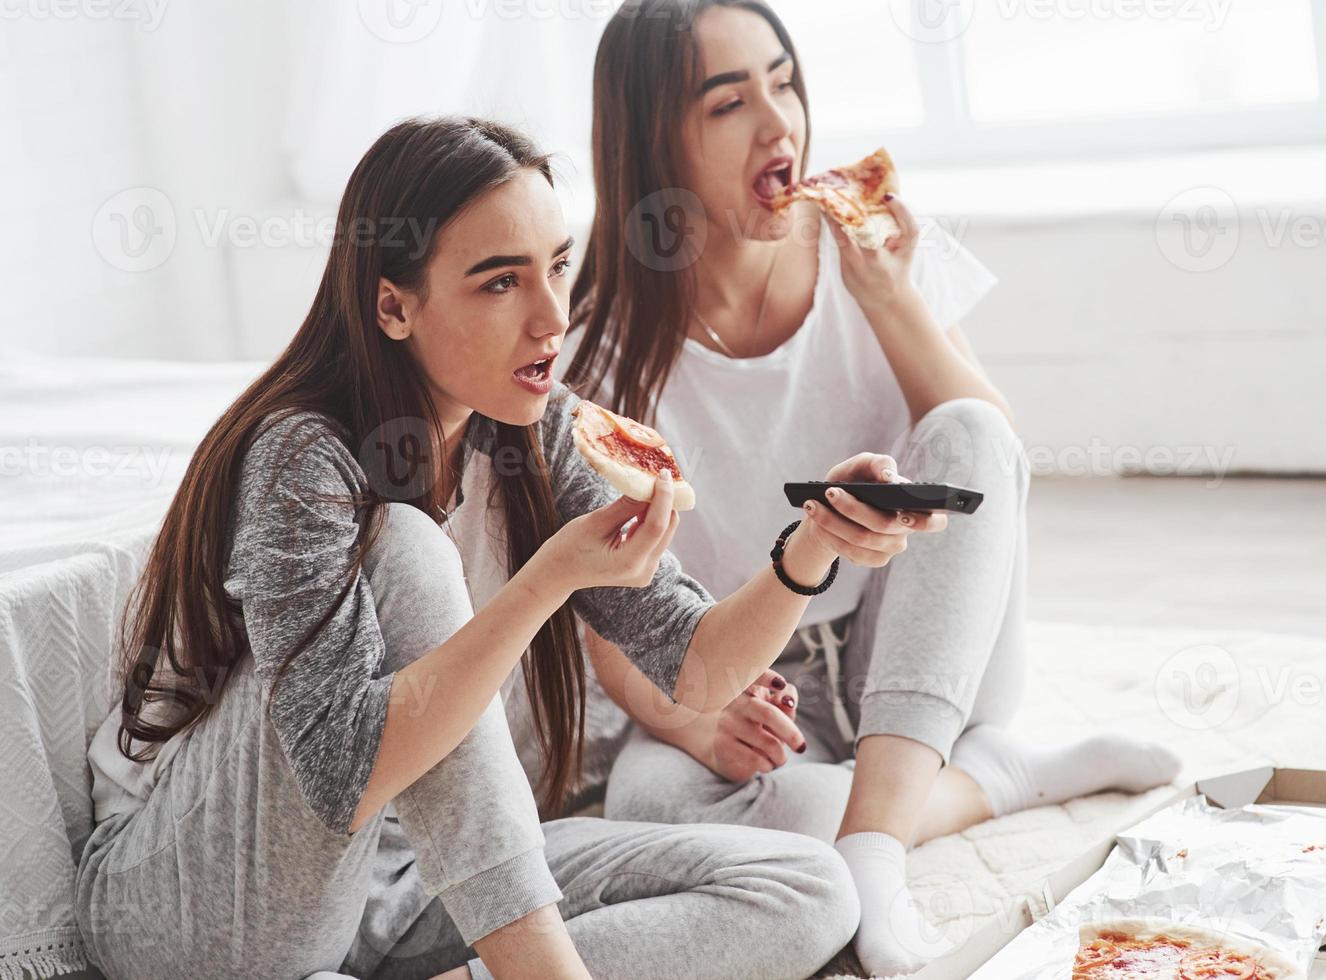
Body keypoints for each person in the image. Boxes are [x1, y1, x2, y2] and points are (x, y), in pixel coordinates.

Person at [72, 115, 945, 980]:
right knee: (412, 548)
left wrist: (810, 546)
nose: (552, 318)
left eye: (559, 267)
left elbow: (701, 672)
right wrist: (548, 579)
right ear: (392, 305)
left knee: (809, 889)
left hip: (415, 881)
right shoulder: (303, 454)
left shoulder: (542, 433)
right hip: (205, 906)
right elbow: (342, 771)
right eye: (500, 284)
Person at [560, 3, 1184, 974]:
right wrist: (693, 718)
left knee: (969, 424)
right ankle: (997, 779)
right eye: (730, 103)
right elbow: (609, 618)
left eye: (784, 81)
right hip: (755, 685)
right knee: (650, 802)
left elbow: (990, 460)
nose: (781, 125)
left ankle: (875, 848)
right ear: (651, 142)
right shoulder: (594, 353)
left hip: (930, 654)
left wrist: (888, 295)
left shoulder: (872, 243)